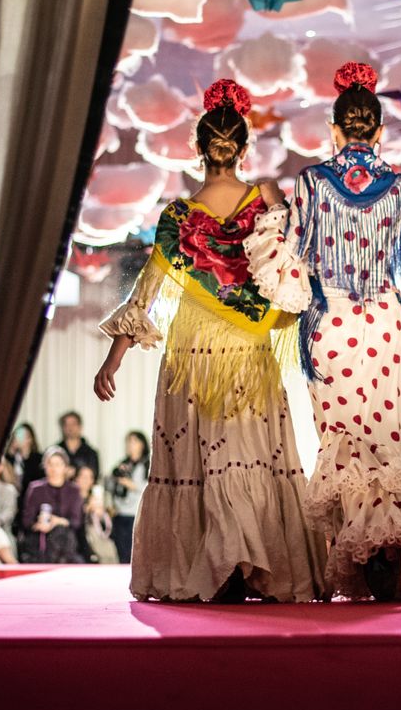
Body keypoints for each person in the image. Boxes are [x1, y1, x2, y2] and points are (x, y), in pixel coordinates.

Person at [246, 61, 401, 601]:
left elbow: (287, 255)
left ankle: (355, 566)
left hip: (330, 325)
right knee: (383, 445)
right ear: (379, 132)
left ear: (334, 130)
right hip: (385, 324)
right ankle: (387, 564)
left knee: (341, 446)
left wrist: (272, 203)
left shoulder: (312, 183)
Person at [95, 79, 325, 603]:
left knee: (202, 463)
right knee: (250, 457)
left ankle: (211, 570)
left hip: (194, 355)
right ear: (243, 149)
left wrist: (113, 359)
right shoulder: (267, 200)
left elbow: (146, 291)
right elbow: (292, 273)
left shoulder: (178, 217)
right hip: (248, 351)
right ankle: (259, 569)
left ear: (198, 150)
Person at [20, 447, 83, 564]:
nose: (54, 469)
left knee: (60, 533)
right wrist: (38, 524)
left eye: (58, 464)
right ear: (45, 466)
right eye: (50, 464)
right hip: (40, 538)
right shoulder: (35, 489)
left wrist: (57, 521)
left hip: (65, 540)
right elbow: (26, 521)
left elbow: (76, 521)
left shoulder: (73, 490)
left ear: (65, 467)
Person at [108, 430, 149, 564]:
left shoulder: (148, 464)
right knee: (121, 551)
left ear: (142, 444)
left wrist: (133, 485)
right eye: (128, 442)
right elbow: (111, 487)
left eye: (134, 441)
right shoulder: (123, 464)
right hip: (120, 513)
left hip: (137, 515)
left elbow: (152, 487)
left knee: (135, 552)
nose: (130, 445)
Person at [75, 464, 118, 564]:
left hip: (99, 539)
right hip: (81, 541)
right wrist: (86, 510)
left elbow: (108, 527)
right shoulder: (72, 497)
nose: (86, 480)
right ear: (77, 478)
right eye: (83, 476)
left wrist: (102, 514)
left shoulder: (97, 497)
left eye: (90, 477)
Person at [55, 411, 100, 481]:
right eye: (66, 424)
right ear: (62, 428)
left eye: (73, 424)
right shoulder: (55, 451)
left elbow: (95, 476)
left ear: (80, 427)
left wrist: (77, 473)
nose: (70, 428)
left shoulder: (91, 453)